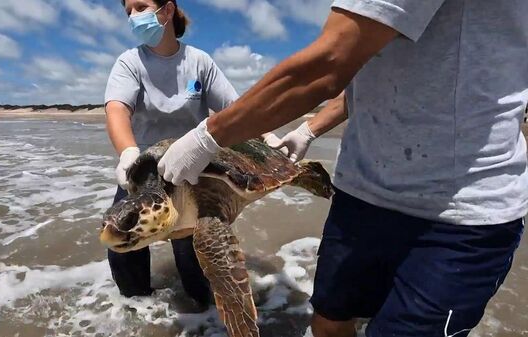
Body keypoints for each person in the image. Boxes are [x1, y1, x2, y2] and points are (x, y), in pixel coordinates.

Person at [157, 1, 528, 336]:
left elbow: (330, 62)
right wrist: (309, 129)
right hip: (366, 194)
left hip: (461, 214)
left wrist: (209, 136)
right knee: (328, 321)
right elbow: (371, 76)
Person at [104, 0, 238, 307]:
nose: (134, 17)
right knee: (121, 243)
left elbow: (233, 109)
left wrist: (268, 136)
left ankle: (205, 315)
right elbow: (117, 109)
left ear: (167, 10)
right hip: (143, 166)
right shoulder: (130, 62)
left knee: (194, 253)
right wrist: (127, 153)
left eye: (141, 6)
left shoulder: (199, 61)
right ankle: (136, 309)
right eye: (129, 12)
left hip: (193, 167)